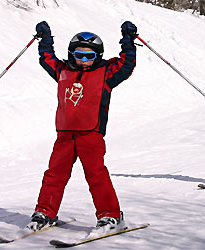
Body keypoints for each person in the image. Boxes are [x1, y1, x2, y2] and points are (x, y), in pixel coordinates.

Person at [28, 20, 137, 236]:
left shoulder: (106, 73)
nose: (84, 61)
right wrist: (45, 39)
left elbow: (126, 65)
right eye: (79, 55)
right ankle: (45, 212)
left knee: (96, 174)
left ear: (98, 56)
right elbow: (47, 58)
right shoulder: (62, 71)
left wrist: (128, 40)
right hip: (65, 134)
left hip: (91, 133)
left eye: (89, 56)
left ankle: (111, 216)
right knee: (54, 174)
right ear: (71, 54)